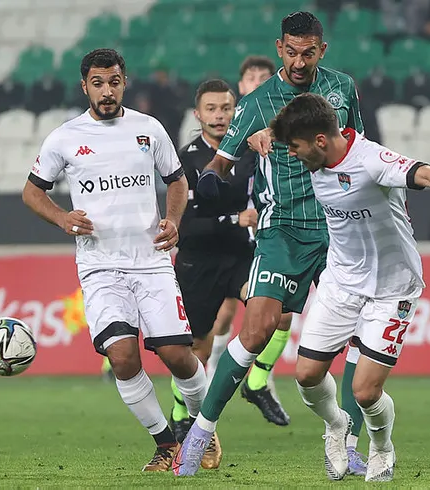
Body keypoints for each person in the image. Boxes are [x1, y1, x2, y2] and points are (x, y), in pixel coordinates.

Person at [175, 11, 367, 476]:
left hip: (339, 228)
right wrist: (210, 180)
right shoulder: (257, 103)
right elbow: (219, 163)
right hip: (282, 229)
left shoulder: (342, 88)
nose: (299, 62)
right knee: (256, 329)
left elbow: (359, 152)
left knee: (361, 333)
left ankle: (346, 442)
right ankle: (200, 432)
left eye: (308, 53)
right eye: (291, 52)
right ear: (280, 48)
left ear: (321, 50)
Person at [270, 93, 430, 481]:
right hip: (341, 282)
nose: (292, 155)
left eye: (294, 147)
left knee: (365, 391)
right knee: (307, 374)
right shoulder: (315, 157)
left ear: (319, 140)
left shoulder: (370, 160)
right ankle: (337, 425)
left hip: (392, 288)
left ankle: (382, 447)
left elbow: (422, 172)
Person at [22, 49, 208, 472]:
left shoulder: (149, 129)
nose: (107, 91)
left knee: (177, 355)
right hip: (99, 266)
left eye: (114, 82)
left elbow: (177, 182)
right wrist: (62, 218)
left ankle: (203, 429)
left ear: (125, 83)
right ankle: (166, 444)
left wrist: (174, 220)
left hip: (152, 260)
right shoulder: (65, 137)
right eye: (98, 83)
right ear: (84, 86)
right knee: (122, 356)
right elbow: (32, 192)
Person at [167, 79, 255, 467]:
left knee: (273, 312)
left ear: (235, 111)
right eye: (211, 109)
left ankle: (257, 380)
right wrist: (235, 219)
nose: (219, 115)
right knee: (196, 350)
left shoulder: (250, 152)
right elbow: (186, 226)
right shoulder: (186, 160)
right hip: (199, 261)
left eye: (226, 108)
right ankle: (182, 414)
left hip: (241, 255)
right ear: (198, 114)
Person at [205, 55, 296, 427]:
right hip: (227, 240)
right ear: (240, 86)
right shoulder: (232, 132)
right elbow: (211, 178)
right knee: (221, 317)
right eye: (250, 77)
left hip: (266, 235)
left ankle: (257, 380)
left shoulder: (286, 126)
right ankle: (209, 380)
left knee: (282, 314)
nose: (257, 82)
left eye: (264, 76)